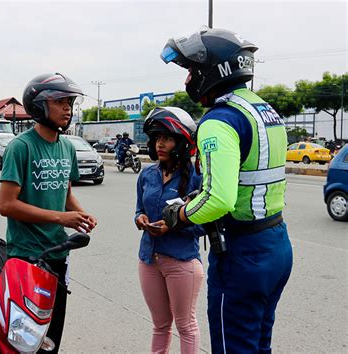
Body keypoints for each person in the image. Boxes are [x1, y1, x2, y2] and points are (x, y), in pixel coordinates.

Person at [160, 27, 293, 353]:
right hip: (276, 245)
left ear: (211, 70)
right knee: (259, 344)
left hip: (241, 255)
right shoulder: (264, 111)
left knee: (232, 346)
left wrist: (181, 213)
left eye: (192, 70)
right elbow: (245, 177)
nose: (189, 79)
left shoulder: (219, 120)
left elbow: (220, 198)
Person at [0, 73, 97, 353]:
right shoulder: (21, 147)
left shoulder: (67, 147)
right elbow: (6, 205)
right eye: (60, 102)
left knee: (51, 337)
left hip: (59, 255)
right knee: (22, 338)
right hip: (26, 256)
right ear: (39, 106)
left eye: (70, 102)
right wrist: (61, 218)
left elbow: (64, 194)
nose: (68, 108)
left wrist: (80, 214)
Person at [135, 107, 205, 354]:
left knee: (185, 325)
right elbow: (138, 209)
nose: (160, 144)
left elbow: (205, 224)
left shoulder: (197, 178)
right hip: (149, 260)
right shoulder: (147, 175)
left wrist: (175, 225)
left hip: (181, 261)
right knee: (160, 325)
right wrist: (141, 219)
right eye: (156, 139)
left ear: (182, 142)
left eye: (166, 138)